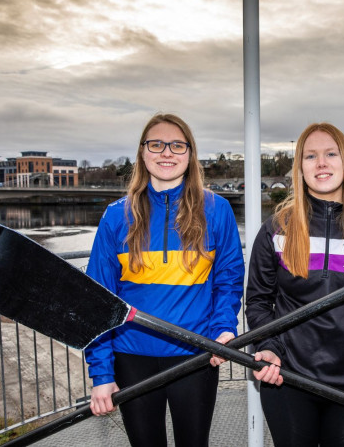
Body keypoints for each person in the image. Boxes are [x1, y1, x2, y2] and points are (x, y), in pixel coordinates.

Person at [84, 113, 245, 447]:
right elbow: (97, 299)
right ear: (143, 153)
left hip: (196, 355)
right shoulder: (117, 215)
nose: (166, 152)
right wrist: (101, 374)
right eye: (156, 144)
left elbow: (228, 280)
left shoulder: (216, 210)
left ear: (190, 153)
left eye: (177, 145)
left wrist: (223, 328)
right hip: (131, 358)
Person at [245, 122, 344, 447]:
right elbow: (259, 301)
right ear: (299, 168)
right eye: (310, 156)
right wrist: (268, 347)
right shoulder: (277, 228)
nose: (321, 163)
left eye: (331, 154)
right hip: (287, 378)